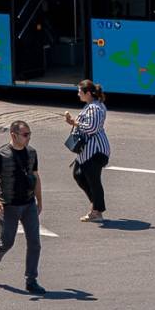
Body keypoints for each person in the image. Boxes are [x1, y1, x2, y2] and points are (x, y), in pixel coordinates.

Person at [0, 120, 45, 295]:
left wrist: (39, 201)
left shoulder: (32, 153)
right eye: (25, 135)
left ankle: (31, 280)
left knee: (35, 243)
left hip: (28, 204)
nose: (28, 138)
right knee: (7, 242)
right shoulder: (1, 155)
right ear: (13, 135)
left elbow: (35, 177)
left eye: (29, 134)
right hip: (9, 206)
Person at [64, 80, 111, 223]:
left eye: (80, 91)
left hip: (95, 151)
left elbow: (92, 128)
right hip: (86, 152)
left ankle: (97, 211)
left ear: (88, 93)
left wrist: (74, 122)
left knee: (93, 180)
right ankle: (95, 205)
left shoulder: (94, 108)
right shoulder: (91, 106)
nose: (78, 94)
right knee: (78, 174)